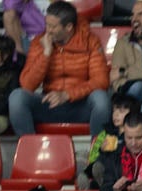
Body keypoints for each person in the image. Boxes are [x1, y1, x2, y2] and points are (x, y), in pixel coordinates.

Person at [10, 1, 112, 137]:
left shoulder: (90, 41)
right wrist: (46, 53)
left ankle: (98, 156)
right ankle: (30, 151)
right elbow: (27, 85)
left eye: (53, 26)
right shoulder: (40, 42)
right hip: (49, 105)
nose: (48, 30)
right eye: (47, 24)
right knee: (17, 97)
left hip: (80, 105)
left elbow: (101, 81)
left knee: (101, 99)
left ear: (68, 27)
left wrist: (67, 95)